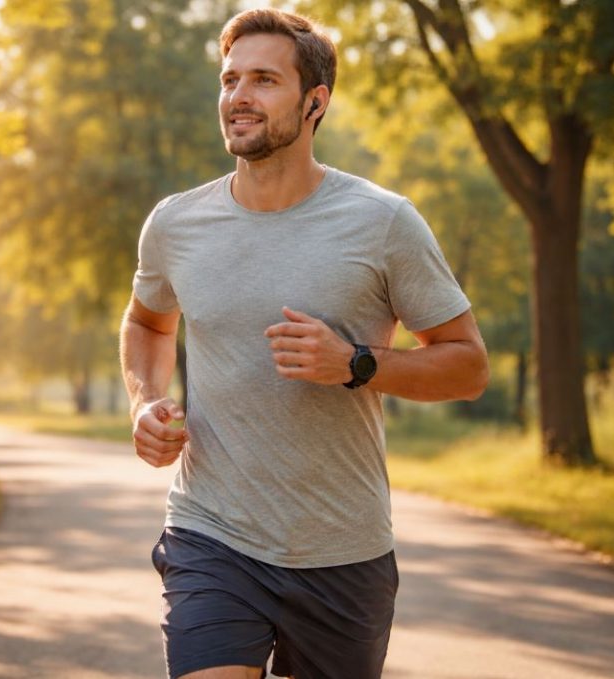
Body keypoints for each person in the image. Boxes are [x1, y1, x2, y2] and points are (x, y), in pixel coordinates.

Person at [118, 8, 489, 679]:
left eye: (264, 79)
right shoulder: (176, 224)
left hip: (342, 550)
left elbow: (467, 365)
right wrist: (145, 400)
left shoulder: (383, 223)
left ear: (315, 102)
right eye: (230, 79)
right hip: (212, 533)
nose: (238, 96)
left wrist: (356, 363)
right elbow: (146, 321)